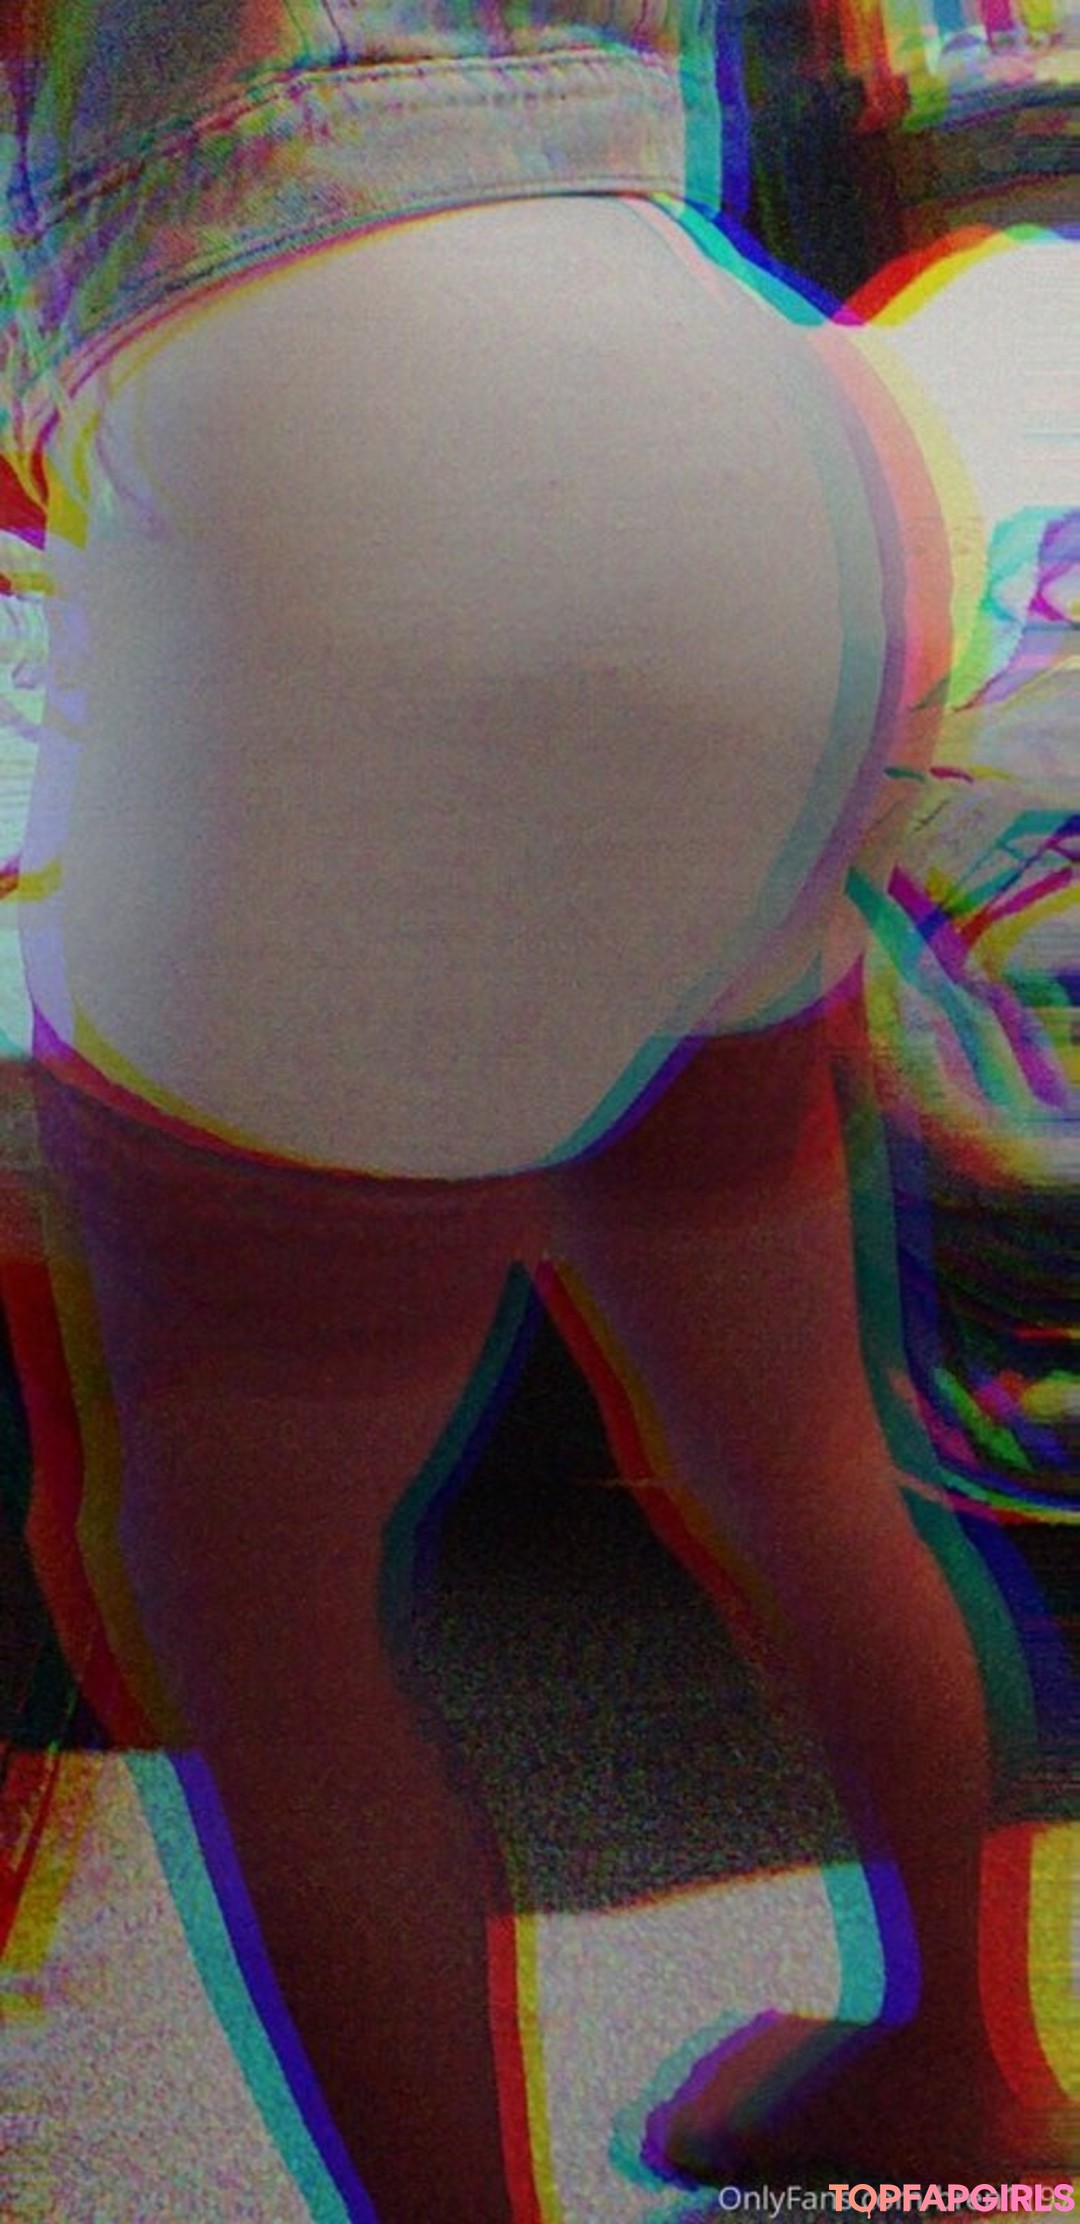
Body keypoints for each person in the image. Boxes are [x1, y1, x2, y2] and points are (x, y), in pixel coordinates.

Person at [3, 4, 1068, 2216]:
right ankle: (961, 2073)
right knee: (789, 1423)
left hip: (342, 398)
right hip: (744, 390)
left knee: (236, 1560)